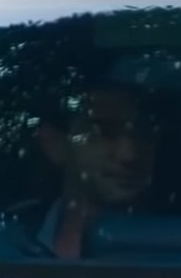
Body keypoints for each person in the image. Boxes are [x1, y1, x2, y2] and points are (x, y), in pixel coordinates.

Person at [22, 83, 158, 258]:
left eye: (144, 133)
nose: (128, 155)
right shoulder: (6, 238)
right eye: (105, 131)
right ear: (53, 142)